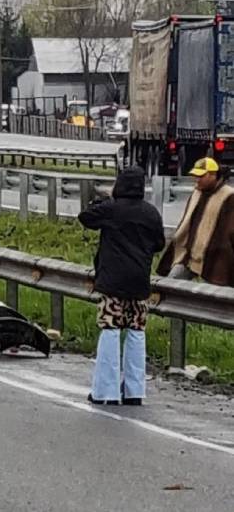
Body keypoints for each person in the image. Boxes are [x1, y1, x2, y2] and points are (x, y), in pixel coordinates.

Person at [78, 166, 165, 406]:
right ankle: (134, 391)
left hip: (113, 281)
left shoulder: (112, 209)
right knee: (136, 331)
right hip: (140, 280)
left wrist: (104, 199)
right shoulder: (150, 213)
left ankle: (105, 391)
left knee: (111, 328)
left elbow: (85, 217)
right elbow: (159, 244)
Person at [156, 158, 234, 287]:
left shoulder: (229, 196)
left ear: (213, 175)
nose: (196, 179)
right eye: (195, 175)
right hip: (190, 256)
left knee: (215, 293)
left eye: (201, 176)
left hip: (216, 258)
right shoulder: (196, 193)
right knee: (170, 285)